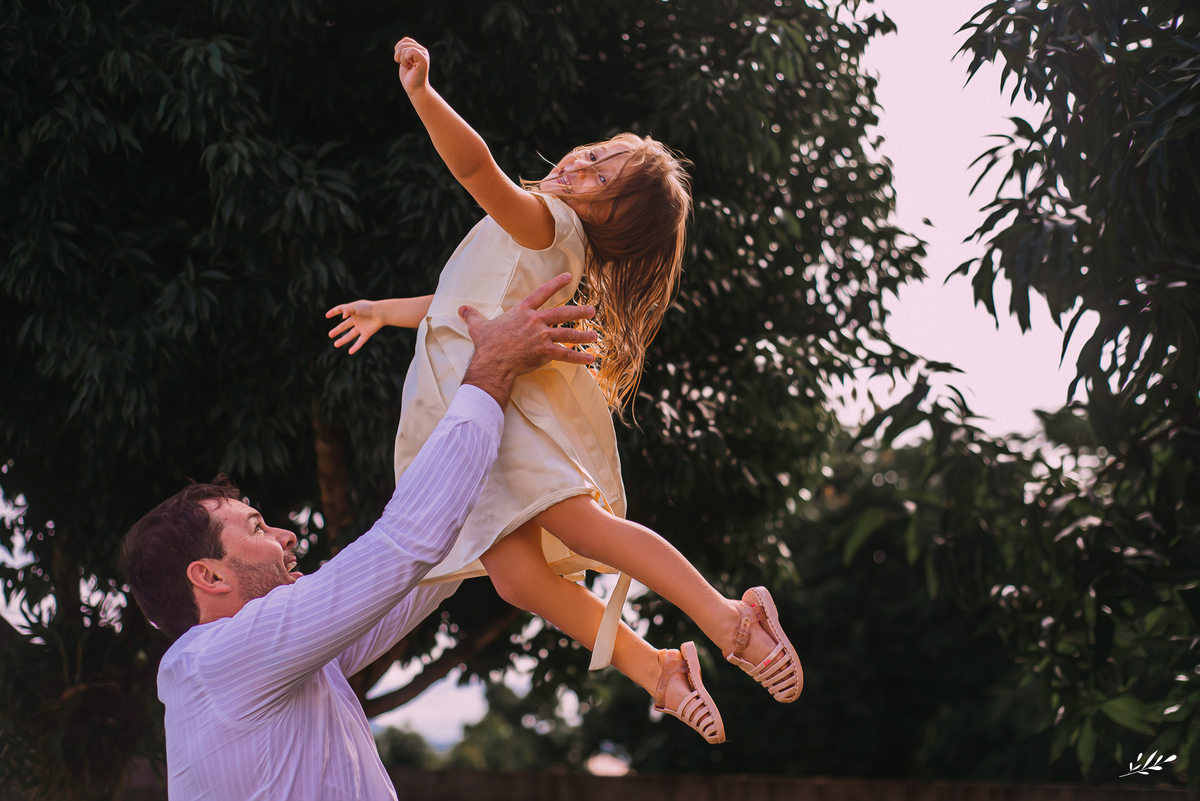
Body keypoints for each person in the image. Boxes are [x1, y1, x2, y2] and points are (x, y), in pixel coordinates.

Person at [324, 37, 802, 745]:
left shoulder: (552, 222)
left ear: (607, 220)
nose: (583, 160)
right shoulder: (539, 228)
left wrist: (424, 97)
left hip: (497, 404)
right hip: (470, 406)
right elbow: (456, 299)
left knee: (584, 530)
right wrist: (384, 311)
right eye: (597, 149)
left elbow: (477, 169)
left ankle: (730, 619)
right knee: (516, 581)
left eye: (603, 173)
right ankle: (660, 670)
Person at [121, 274, 597, 801]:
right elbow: (405, 543)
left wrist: (500, 444)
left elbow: (422, 570)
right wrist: (491, 368)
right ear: (208, 575)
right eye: (257, 527)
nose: (286, 536)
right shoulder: (219, 660)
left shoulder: (280, 665)